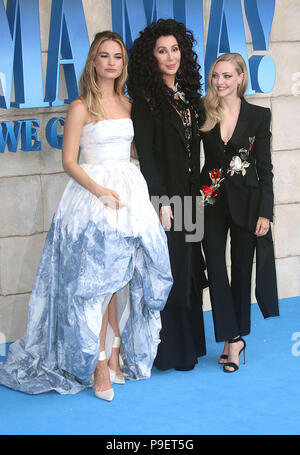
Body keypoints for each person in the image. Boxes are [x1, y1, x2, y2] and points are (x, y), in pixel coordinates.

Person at [0, 31, 172, 400]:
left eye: (118, 57)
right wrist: (99, 191)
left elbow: (137, 152)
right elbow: (68, 161)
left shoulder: (129, 105)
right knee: (98, 284)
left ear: (123, 64)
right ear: (94, 60)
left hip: (129, 193)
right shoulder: (81, 107)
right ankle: (98, 364)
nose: (112, 63)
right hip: (92, 198)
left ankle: (113, 355)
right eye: (105, 56)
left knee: (120, 278)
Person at [128, 19, 208, 371]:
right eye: (162, 51)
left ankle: (192, 343)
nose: (170, 56)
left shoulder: (188, 96)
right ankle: (172, 351)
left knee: (191, 269)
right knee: (172, 270)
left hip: (192, 199)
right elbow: (146, 152)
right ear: (151, 57)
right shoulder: (147, 100)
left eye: (175, 49)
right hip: (169, 201)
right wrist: (159, 201)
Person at [200, 53, 279, 373]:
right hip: (209, 201)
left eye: (227, 76)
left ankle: (234, 341)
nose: (220, 81)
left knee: (243, 271)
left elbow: (265, 168)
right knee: (216, 269)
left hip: (248, 202)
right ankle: (233, 337)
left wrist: (266, 212)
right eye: (216, 75)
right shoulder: (202, 111)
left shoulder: (259, 116)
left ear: (241, 78)